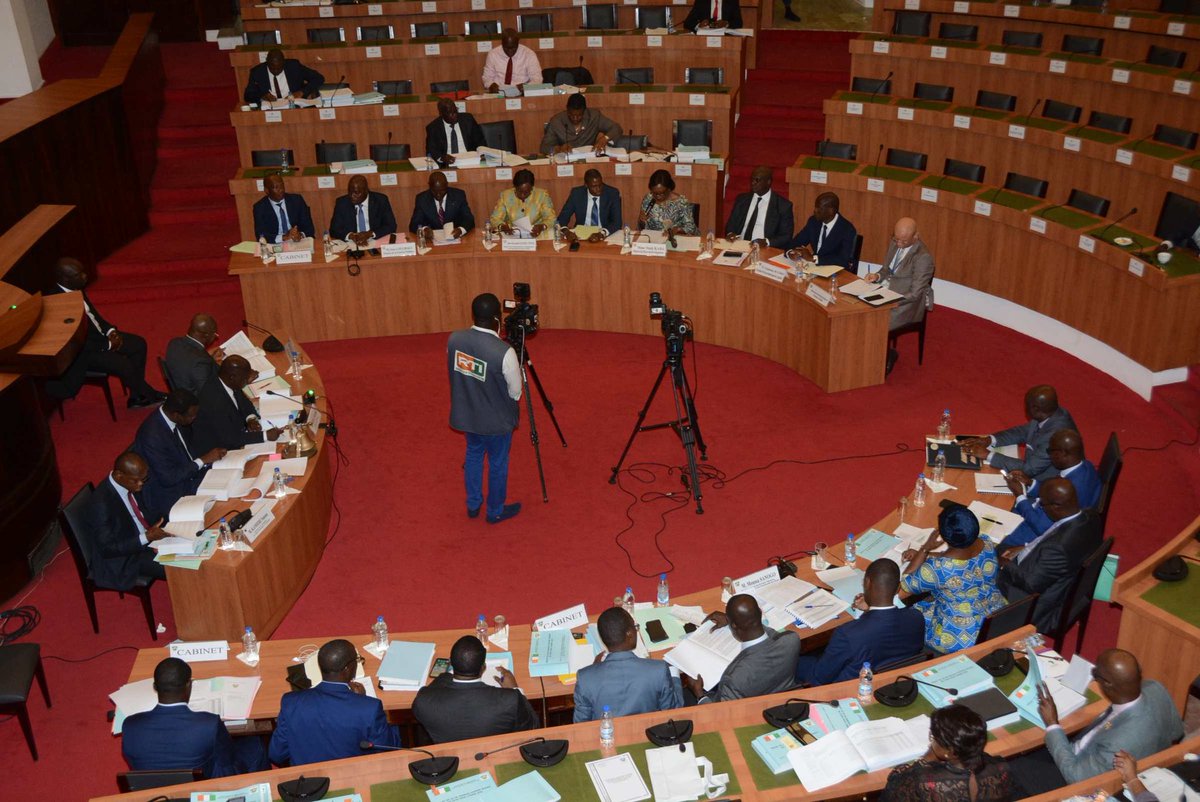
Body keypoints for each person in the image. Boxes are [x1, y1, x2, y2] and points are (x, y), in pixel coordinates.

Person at [1009, 649, 1183, 797]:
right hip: (1094, 752)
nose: (1093, 677)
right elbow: (1176, 732)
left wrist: (1053, 724)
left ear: (1107, 684)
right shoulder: (1155, 688)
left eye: (1095, 674)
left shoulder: (1118, 743)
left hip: (1073, 774)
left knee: (1012, 767)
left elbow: (1076, 777)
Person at [45, 258, 163, 408]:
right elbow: (75, 341)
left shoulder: (75, 287)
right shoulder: (56, 303)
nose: (85, 276)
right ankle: (150, 395)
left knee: (138, 344)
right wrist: (107, 345)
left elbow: (94, 316)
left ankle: (137, 396)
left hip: (100, 337)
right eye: (78, 274)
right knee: (123, 365)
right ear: (65, 279)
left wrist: (110, 331)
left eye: (83, 272)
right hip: (84, 352)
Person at [123, 658, 267, 778]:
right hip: (202, 788)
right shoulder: (209, 724)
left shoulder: (130, 725)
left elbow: (134, 765)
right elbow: (227, 762)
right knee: (256, 743)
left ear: (155, 687)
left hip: (155, 792)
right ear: (189, 685)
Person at [447, 293, 522, 524]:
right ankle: (495, 510)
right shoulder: (504, 351)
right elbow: (515, 391)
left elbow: (458, 374)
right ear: (497, 319)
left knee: (473, 455)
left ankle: (473, 504)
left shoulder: (454, 340)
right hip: (496, 422)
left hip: (468, 416)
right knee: (498, 463)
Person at [795, 559, 925, 686]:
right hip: (895, 681)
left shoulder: (847, 633)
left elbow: (820, 678)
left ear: (867, 583)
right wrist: (869, 610)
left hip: (852, 687)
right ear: (898, 588)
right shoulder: (916, 617)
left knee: (795, 660)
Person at [269, 639, 399, 766]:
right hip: (354, 779)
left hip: (306, 782)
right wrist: (362, 700)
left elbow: (277, 754)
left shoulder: (290, 703)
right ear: (348, 669)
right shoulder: (369, 709)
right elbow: (387, 750)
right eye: (357, 660)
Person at [997, 478, 1103, 634]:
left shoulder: (1058, 547)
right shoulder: (1090, 516)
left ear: (1056, 506)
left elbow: (1031, 584)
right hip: (1042, 565)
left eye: (1042, 504)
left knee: (977, 567)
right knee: (999, 547)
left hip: (1029, 601)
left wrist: (1005, 564)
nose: (1041, 506)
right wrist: (1025, 548)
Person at [900, 506, 1007, 653]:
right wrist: (928, 555)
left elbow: (905, 585)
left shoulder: (938, 569)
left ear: (944, 537)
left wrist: (924, 549)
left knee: (907, 616)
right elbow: (963, 559)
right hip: (996, 615)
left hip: (961, 634)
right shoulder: (986, 542)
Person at [412, 636, 538, 743]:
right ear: (483, 668)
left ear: (451, 663)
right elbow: (533, 726)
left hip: (448, 763)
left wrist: (445, 676)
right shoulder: (510, 700)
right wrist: (515, 688)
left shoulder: (424, 700)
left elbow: (431, 693)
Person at [681, 594, 800, 703]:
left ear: (734, 626)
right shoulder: (791, 639)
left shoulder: (734, 678)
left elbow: (724, 713)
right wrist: (737, 620)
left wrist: (700, 694)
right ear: (759, 612)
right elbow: (770, 633)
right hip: (784, 699)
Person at [881, 704, 1013, 802]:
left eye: (933, 737)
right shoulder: (1001, 768)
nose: (931, 739)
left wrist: (925, 759)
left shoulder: (921, 781)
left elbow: (890, 795)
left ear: (950, 753)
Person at [998, 428, 1102, 551]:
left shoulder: (1071, 488)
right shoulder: (1086, 466)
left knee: (983, 533)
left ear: (1063, 453)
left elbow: (1040, 526)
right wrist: (1030, 483)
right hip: (1050, 519)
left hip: (1034, 535)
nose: (1049, 455)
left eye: (1050, 451)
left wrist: (1020, 496)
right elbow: (1053, 493)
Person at [574, 607, 683, 722]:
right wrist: (675, 676)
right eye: (635, 627)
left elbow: (581, 723)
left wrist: (594, 669)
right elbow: (673, 712)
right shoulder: (658, 670)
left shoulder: (585, 678)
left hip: (607, 736)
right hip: (651, 733)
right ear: (630, 635)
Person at [133, 390, 226, 516]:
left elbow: (189, 449)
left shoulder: (175, 419)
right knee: (222, 507)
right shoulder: (152, 437)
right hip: (170, 493)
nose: (195, 418)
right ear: (176, 415)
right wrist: (203, 460)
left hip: (189, 475)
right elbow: (169, 478)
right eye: (191, 416)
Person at [84, 452, 168, 590]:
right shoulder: (100, 503)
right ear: (118, 476)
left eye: (143, 479)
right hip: (125, 558)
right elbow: (107, 549)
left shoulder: (130, 481)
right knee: (177, 567)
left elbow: (145, 511)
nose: (141, 484)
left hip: (144, 537)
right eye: (136, 480)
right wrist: (146, 537)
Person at [961, 385, 1078, 481]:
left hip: (1043, 485)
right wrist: (989, 440)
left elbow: (1029, 469)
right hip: (1033, 466)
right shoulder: (1049, 413)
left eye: (1027, 406)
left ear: (1036, 409)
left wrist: (988, 455)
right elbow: (1021, 432)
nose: (1025, 408)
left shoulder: (1055, 436)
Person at [865, 217, 935, 376]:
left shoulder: (923, 257)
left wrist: (890, 299)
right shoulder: (894, 243)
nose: (898, 244)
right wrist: (876, 276)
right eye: (896, 239)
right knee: (859, 308)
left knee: (876, 320)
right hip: (885, 292)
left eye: (903, 241)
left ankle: (887, 355)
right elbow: (886, 270)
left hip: (905, 303)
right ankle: (869, 355)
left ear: (916, 237)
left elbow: (915, 293)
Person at [190, 355, 281, 455]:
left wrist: (251, 419)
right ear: (232, 377)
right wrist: (265, 435)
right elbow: (231, 438)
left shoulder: (227, 381)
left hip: (236, 434)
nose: (247, 381)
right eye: (245, 379)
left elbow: (244, 403)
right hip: (220, 451)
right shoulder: (214, 402)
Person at [723, 166, 795, 249]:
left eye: (757, 180)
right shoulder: (742, 199)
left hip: (765, 248)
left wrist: (767, 242)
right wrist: (730, 233)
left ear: (768, 182)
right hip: (739, 245)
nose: (753, 183)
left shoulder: (783, 206)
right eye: (752, 179)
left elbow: (786, 235)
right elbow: (731, 224)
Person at [785, 192, 858, 270]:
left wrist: (813, 258)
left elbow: (843, 259)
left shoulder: (847, 229)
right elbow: (796, 242)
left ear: (831, 211)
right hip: (813, 269)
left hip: (834, 272)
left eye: (819, 208)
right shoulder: (813, 221)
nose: (815, 210)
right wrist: (790, 252)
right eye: (816, 207)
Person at [540, 93, 622, 155]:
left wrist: (605, 138)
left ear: (584, 111)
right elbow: (544, 148)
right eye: (571, 115)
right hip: (567, 159)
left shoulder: (594, 116)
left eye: (579, 115)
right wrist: (558, 149)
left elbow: (616, 128)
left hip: (588, 157)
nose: (575, 118)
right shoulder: (556, 121)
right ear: (567, 109)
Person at [329, 175, 398, 247]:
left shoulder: (380, 200)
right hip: (351, 244)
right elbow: (334, 230)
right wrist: (351, 236)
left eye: (356, 193)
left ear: (366, 191)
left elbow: (391, 226)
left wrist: (370, 234)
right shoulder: (342, 203)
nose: (352, 196)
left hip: (375, 242)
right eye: (350, 192)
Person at [164, 314, 222, 396]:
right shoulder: (201, 361)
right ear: (206, 335)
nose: (215, 337)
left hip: (181, 388)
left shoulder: (174, 343)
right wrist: (221, 368)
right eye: (215, 334)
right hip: (195, 402)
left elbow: (190, 360)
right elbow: (209, 395)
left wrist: (208, 357)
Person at [557, 169, 623, 240]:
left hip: (604, 235)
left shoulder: (612, 193)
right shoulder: (576, 194)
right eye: (594, 186)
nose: (598, 189)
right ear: (586, 185)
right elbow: (562, 218)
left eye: (600, 185)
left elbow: (617, 222)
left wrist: (602, 233)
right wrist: (566, 232)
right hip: (581, 235)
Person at [242, 48, 324, 105]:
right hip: (271, 107)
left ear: (284, 63)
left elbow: (319, 78)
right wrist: (262, 96)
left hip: (294, 105)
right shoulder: (258, 72)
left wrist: (302, 92)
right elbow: (248, 95)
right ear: (267, 63)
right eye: (272, 68)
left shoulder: (294, 66)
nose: (276, 71)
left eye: (279, 68)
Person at [488, 169, 555, 238]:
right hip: (512, 234)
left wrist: (542, 227)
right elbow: (495, 218)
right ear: (515, 187)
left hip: (537, 234)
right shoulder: (505, 196)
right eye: (519, 191)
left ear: (532, 188)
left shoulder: (541, 195)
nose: (523, 195)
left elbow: (551, 218)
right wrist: (502, 226)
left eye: (526, 192)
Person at [408, 171, 475, 240]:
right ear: (429, 186)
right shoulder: (422, 199)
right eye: (434, 191)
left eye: (442, 191)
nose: (438, 195)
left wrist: (461, 230)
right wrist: (424, 230)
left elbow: (469, 219)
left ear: (447, 185)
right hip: (431, 241)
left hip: (455, 239)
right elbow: (414, 224)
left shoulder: (458, 195)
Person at [252, 173, 315, 244]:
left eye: (282, 186)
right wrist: (284, 237)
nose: (281, 190)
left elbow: (309, 228)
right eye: (276, 187)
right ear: (266, 190)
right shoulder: (260, 207)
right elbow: (260, 235)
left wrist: (300, 235)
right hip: (275, 244)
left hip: (298, 241)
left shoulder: (297, 200)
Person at [638, 169, 699, 238]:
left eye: (662, 193)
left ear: (669, 189)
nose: (658, 196)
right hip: (654, 239)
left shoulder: (681, 202)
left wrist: (677, 229)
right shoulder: (648, 199)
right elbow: (641, 227)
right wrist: (641, 220)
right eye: (655, 193)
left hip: (676, 238)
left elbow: (691, 228)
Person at [424, 97, 486, 164]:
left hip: (470, 160)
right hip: (447, 164)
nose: (455, 115)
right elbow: (431, 151)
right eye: (450, 113)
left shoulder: (468, 120)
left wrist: (482, 154)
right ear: (441, 114)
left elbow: (480, 141)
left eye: (455, 111)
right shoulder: (433, 128)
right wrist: (442, 157)